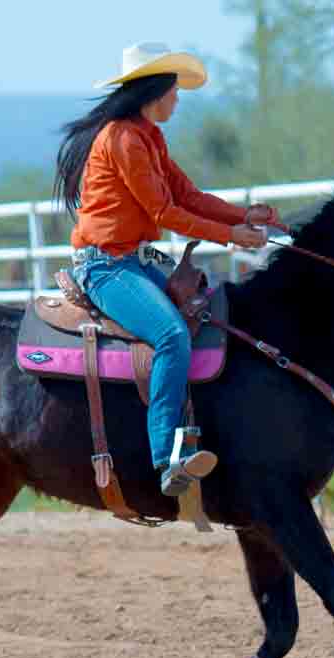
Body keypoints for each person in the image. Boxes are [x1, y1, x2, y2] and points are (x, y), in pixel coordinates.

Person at [53, 42, 282, 497]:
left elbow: (189, 197)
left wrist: (243, 216)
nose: (177, 99)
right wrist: (233, 237)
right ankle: (166, 457)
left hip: (129, 261)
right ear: (155, 91)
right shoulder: (122, 138)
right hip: (106, 267)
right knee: (172, 334)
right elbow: (164, 212)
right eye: (174, 91)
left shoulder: (147, 137)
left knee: (209, 313)